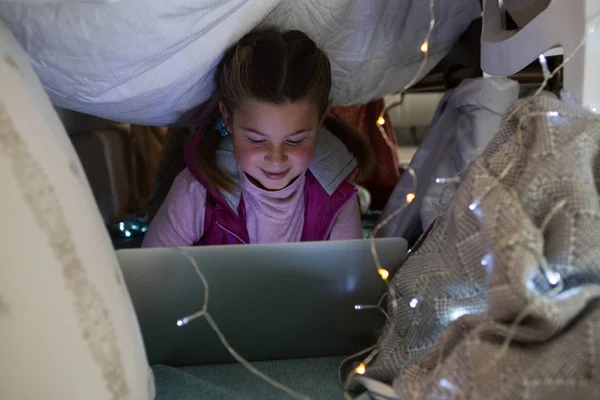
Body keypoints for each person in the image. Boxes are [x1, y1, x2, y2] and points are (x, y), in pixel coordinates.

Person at [143, 28, 373, 247]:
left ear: (321, 120)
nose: (276, 160)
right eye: (256, 140)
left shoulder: (338, 195)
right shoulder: (195, 193)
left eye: (294, 141)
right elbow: (152, 275)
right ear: (228, 119)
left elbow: (348, 283)